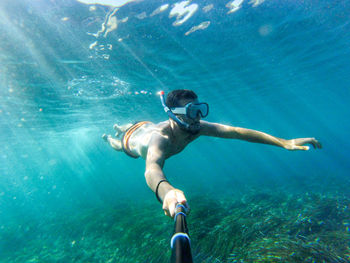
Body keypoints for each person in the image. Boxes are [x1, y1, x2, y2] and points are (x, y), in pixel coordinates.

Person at [102, 89, 322, 218]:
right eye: (191, 112)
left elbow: (235, 132)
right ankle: (113, 136)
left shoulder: (195, 126)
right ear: (174, 115)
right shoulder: (162, 138)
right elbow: (152, 169)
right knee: (119, 145)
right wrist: (166, 191)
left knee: (141, 124)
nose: (198, 118)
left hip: (145, 124)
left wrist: (283, 142)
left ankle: (123, 126)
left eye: (200, 110)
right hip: (132, 141)